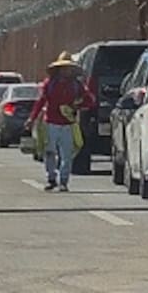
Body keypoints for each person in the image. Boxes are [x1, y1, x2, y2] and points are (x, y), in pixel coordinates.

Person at [25, 51, 95, 192]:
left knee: (67, 155)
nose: (66, 71)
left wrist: (76, 106)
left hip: (68, 124)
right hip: (50, 123)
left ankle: (63, 181)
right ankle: (51, 178)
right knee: (49, 152)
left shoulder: (77, 85)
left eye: (68, 68)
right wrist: (32, 118)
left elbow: (90, 100)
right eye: (63, 68)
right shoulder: (50, 84)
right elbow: (41, 101)